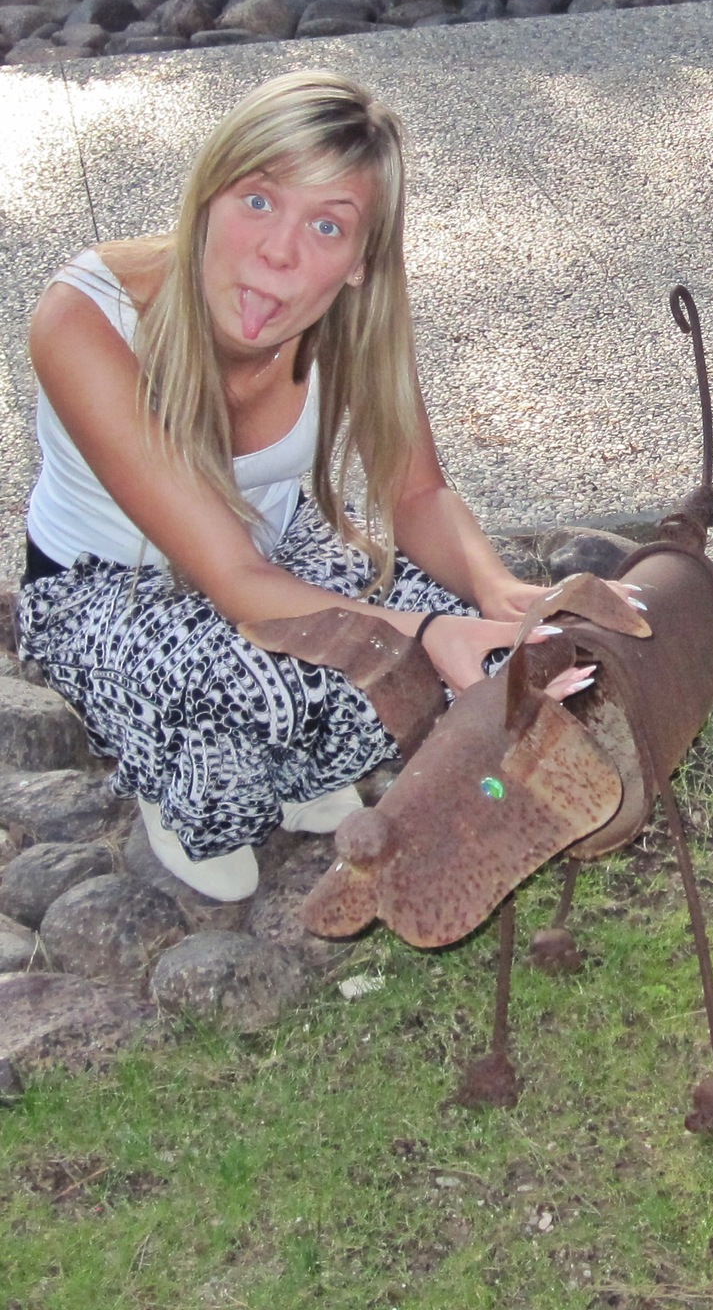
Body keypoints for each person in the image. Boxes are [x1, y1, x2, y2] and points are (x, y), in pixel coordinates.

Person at [17, 70, 624, 904]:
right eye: (258, 200)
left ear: (359, 263)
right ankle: (189, 789)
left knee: (469, 637)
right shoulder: (88, 317)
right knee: (286, 682)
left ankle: (294, 762)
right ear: (206, 198)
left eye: (328, 224)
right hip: (104, 587)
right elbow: (231, 580)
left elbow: (416, 497)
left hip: (273, 552)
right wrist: (428, 633)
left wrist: (496, 592)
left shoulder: (352, 322)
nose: (279, 250)